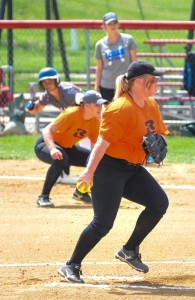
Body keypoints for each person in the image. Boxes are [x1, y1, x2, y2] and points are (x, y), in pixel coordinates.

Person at [58, 60, 169, 284]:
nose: (157, 82)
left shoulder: (151, 105)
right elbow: (101, 143)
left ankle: (129, 250)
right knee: (103, 223)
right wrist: (89, 173)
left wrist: (159, 142)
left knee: (159, 203)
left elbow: (159, 133)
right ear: (139, 82)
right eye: (152, 79)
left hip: (132, 169)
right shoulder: (120, 108)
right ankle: (71, 264)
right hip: (108, 168)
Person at [34, 90, 108, 208]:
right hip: (45, 144)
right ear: (87, 105)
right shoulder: (71, 114)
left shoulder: (95, 121)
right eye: (97, 104)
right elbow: (46, 130)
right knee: (61, 159)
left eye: (101, 104)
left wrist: (96, 159)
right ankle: (43, 196)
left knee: (94, 160)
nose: (100, 107)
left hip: (66, 148)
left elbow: (95, 148)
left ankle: (81, 192)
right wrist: (53, 148)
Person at [25, 67, 88, 182]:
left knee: (90, 152)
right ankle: (64, 171)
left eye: (50, 81)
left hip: (91, 121)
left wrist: (79, 99)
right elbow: (36, 108)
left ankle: (94, 176)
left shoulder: (67, 92)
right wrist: (30, 107)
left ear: (57, 81)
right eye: (44, 82)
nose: (47, 84)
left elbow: (81, 98)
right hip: (79, 123)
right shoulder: (47, 96)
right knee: (65, 139)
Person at [94, 12, 137, 104]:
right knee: (109, 113)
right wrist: (96, 87)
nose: (112, 26)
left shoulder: (128, 40)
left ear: (118, 24)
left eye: (114, 23)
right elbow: (99, 67)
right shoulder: (100, 45)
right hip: (106, 85)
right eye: (109, 24)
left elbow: (134, 63)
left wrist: (134, 82)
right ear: (104, 26)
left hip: (124, 84)